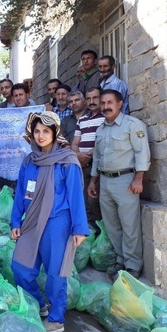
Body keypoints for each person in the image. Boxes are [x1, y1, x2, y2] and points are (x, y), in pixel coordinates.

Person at [10, 111, 88, 332]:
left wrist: (79, 229)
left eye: (46, 131)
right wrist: (16, 221)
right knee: (20, 268)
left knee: (56, 273)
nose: (41, 135)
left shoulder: (67, 161)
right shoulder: (29, 161)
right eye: (36, 131)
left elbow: (75, 196)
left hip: (57, 224)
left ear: (55, 132)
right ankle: (40, 305)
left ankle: (56, 319)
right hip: (32, 222)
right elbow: (19, 194)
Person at [88, 89, 150, 279]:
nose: (106, 107)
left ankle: (133, 265)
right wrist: (93, 181)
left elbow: (142, 153)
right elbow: (97, 158)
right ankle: (121, 260)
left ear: (119, 103)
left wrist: (138, 178)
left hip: (126, 181)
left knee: (129, 225)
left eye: (110, 103)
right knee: (112, 225)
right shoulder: (101, 129)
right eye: (103, 103)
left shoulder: (133, 125)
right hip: (105, 182)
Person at [71, 87, 104, 229]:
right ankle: (92, 232)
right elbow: (75, 143)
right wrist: (78, 155)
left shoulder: (106, 117)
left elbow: (103, 142)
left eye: (95, 98)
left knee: (95, 200)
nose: (92, 101)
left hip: (98, 166)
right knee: (85, 200)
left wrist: (88, 156)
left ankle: (101, 230)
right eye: (89, 98)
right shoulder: (82, 120)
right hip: (83, 165)